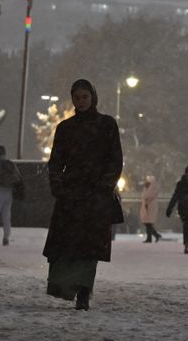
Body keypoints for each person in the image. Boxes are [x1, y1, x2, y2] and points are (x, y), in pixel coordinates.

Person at [44, 79, 124, 310]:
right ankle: (71, 288)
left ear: (92, 97)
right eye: (77, 98)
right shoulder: (66, 128)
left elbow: (115, 159)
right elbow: (56, 161)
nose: (81, 102)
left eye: (84, 97)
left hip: (93, 195)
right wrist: (58, 186)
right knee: (71, 245)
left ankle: (82, 291)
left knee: (87, 248)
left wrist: (105, 184)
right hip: (73, 195)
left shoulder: (106, 125)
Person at [166, 165, 188, 254]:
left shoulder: (181, 183)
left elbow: (175, 197)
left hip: (183, 207)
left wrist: (169, 209)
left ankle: (186, 243)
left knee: (186, 225)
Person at [140, 175, 162, 243]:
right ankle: (155, 235)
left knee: (148, 223)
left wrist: (146, 202)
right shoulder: (147, 188)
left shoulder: (152, 188)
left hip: (150, 206)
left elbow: (148, 196)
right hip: (147, 206)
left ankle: (150, 237)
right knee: (147, 223)